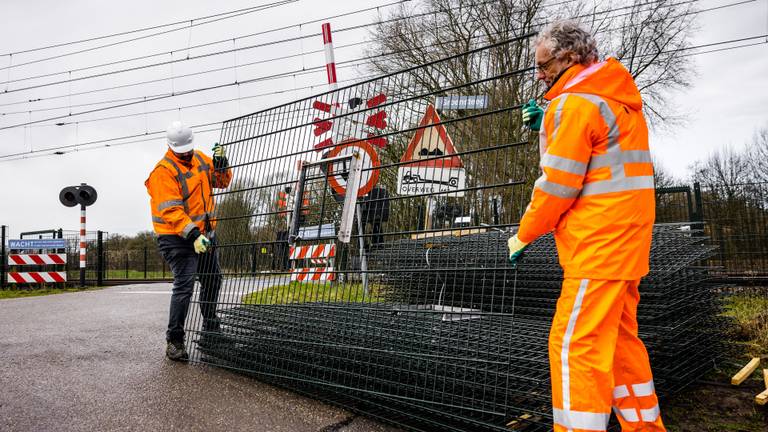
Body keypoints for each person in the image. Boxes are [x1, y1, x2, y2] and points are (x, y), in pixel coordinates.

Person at [509, 21, 665, 431]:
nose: (539, 74)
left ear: (570, 59)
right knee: (620, 346)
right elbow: (599, 162)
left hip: (596, 248)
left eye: (544, 65)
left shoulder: (575, 105)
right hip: (626, 245)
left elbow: (557, 185)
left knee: (573, 346)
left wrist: (524, 234)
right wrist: (548, 122)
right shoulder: (617, 100)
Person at [145, 121, 232, 361]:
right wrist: (193, 235)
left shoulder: (202, 159)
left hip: (203, 235)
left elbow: (222, 182)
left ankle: (211, 331)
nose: (186, 153)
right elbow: (171, 211)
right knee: (184, 286)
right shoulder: (163, 172)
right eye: (182, 150)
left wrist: (222, 165)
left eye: (188, 149)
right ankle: (174, 341)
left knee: (213, 280)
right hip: (176, 238)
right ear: (172, 147)